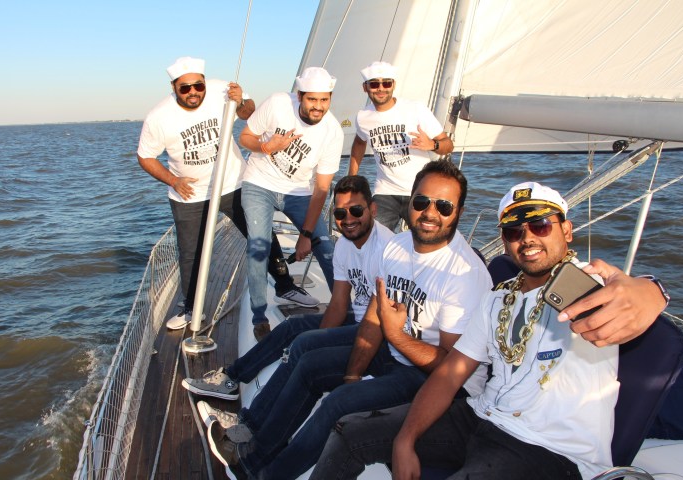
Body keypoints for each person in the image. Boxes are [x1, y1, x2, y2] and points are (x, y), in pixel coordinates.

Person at [310, 181, 672, 480]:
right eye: (514, 230)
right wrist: (406, 438)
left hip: (549, 450)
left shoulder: (586, 288)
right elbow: (452, 374)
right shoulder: (496, 299)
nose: (527, 237)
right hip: (480, 416)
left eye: (541, 225)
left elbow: (629, 300)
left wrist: (652, 290)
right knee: (349, 432)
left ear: (566, 229)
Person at [208, 160, 493, 480]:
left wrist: (395, 336)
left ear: (459, 212)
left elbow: (450, 369)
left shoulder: (463, 275)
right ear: (409, 201)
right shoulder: (398, 247)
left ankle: (267, 474)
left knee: (339, 404)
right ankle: (255, 453)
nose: (430, 213)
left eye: (444, 206)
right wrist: (353, 373)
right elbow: (373, 316)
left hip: (441, 383)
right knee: (310, 365)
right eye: (422, 201)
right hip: (395, 350)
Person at [137, 57, 317, 331]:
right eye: (185, 88)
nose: (194, 92)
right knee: (190, 253)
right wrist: (173, 180)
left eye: (199, 85)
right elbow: (145, 156)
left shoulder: (222, 90)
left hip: (233, 182)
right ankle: (191, 307)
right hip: (190, 193)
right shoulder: (158, 117)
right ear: (173, 87)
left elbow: (248, 113)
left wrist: (241, 100)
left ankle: (285, 286)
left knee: (262, 235)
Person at [181, 175, 394, 403]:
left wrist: (318, 344)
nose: (348, 219)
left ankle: (252, 419)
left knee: (303, 348)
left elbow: (379, 322)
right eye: (341, 214)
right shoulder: (344, 244)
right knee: (292, 326)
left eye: (357, 211)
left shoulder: (387, 250)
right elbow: (339, 304)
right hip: (357, 319)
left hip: (376, 331)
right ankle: (232, 378)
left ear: (373, 209)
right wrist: (321, 337)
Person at [238, 66, 344, 340]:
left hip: (299, 192)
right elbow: (245, 137)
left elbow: (321, 188)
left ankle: (343, 310)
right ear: (300, 96)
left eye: (324, 99)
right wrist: (266, 147)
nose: (318, 107)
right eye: (312, 99)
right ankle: (259, 316)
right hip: (259, 183)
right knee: (258, 245)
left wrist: (306, 236)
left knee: (326, 246)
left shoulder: (333, 132)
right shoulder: (277, 103)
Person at [348, 61, 454, 231]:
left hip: (420, 191)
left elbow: (448, 145)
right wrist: (351, 178)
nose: (381, 88)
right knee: (371, 238)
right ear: (365, 87)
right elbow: (359, 143)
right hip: (385, 192)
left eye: (386, 83)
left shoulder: (415, 109)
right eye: (374, 84)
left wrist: (432, 144)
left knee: (428, 239)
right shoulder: (363, 117)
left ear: (393, 85)